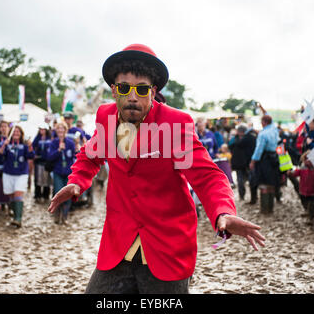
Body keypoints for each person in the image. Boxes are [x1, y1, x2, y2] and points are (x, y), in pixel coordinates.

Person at [48, 43, 265, 294]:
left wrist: (222, 212)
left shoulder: (174, 124)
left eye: (141, 89)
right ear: (114, 91)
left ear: (153, 91)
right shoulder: (105, 117)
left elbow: (206, 177)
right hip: (119, 243)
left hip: (167, 246)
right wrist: (77, 181)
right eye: (124, 88)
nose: (132, 96)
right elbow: (90, 154)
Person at [0, 125, 35, 227]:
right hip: (8, 173)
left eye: (18, 132)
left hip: (21, 173)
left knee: (18, 194)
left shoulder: (25, 144)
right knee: (11, 195)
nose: (16, 133)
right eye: (14, 132)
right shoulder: (6, 143)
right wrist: (4, 145)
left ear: (21, 134)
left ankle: (18, 219)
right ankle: (13, 211)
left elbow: (31, 155)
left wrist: (30, 146)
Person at [249, 115, 280, 211]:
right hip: (274, 157)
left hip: (265, 159)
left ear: (264, 122)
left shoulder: (263, 134)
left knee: (264, 183)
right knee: (272, 182)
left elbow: (259, 149)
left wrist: (253, 161)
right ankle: (270, 207)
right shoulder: (274, 130)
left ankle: (265, 208)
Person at [47, 122, 75, 224]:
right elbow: (49, 157)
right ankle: (57, 215)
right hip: (57, 171)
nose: (60, 131)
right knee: (58, 192)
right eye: (58, 129)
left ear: (65, 130)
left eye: (62, 129)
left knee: (68, 193)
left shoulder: (70, 143)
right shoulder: (53, 143)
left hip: (68, 172)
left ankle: (65, 216)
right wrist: (58, 150)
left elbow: (74, 156)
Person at [287, 151, 314, 225]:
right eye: (306, 159)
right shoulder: (303, 167)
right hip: (303, 190)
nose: (308, 160)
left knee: (312, 203)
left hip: (312, 190)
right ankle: (308, 211)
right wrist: (291, 173)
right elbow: (297, 173)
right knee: (305, 202)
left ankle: (311, 217)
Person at [229, 123, 256, 201]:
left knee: (245, 180)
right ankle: (250, 197)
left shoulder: (235, 139)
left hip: (243, 163)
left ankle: (245, 197)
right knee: (245, 180)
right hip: (244, 162)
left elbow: (230, 146)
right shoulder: (251, 138)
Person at [32, 122, 53, 203]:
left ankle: (46, 195)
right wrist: (35, 155)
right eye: (41, 129)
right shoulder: (37, 138)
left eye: (43, 129)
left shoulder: (49, 138)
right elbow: (32, 147)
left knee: (47, 179)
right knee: (38, 178)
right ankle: (37, 195)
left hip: (46, 162)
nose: (42, 131)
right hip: (38, 161)